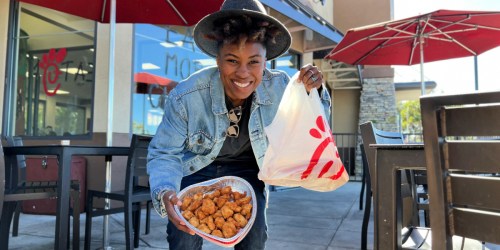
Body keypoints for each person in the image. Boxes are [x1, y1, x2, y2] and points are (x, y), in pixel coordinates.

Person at [147, 0, 331, 249]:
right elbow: (164, 152)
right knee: (183, 235)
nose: (243, 73)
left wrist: (314, 92)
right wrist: (166, 192)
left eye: (254, 62)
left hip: (247, 171)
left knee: (254, 237)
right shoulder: (186, 96)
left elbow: (314, 127)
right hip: (196, 169)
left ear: (266, 61)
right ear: (217, 60)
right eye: (232, 60)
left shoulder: (282, 88)